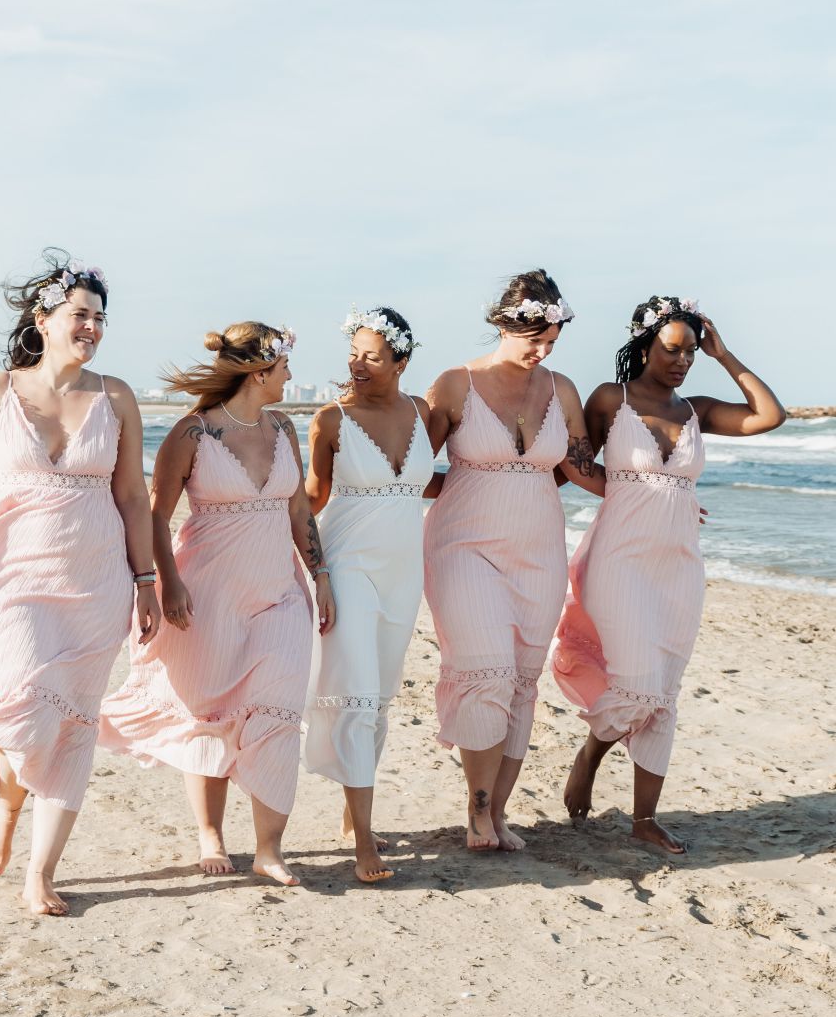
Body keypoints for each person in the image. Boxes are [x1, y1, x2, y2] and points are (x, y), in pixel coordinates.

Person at [0, 253, 159, 916]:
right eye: (80, 314)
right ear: (44, 318)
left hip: (95, 582)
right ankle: (5, 803)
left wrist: (146, 581)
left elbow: (134, 497)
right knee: (21, 702)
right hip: (10, 577)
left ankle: (41, 871)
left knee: (72, 724)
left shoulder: (115, 397)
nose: (91, 326)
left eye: (99, 318)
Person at [100, 323, 334, 888]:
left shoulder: (283, 427)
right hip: (208, 592)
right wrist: (165, 583)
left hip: (279, 593)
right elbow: (156, 515)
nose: (291, 376)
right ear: (260, 372)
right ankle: (210, 833)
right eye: (284, 368)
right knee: (211, 715)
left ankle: (270, 849)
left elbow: (298, 511)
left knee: (277, 712)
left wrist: (320, 573)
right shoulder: (192, 433)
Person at [552, 297, 785, 853]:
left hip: (678, 564)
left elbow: (769, 417)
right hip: (620, 558)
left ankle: (643, 819)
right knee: (637, 682)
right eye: (672, 349)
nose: (683, 360)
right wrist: (641, 493)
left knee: (664, 690)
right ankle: (591, 754)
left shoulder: (696, 409)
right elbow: (571, 460)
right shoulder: (613, 399)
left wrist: (725, 355)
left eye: (691, 352)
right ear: (644, 345)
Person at [423, 269, 603, 851]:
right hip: (463, 543)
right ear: (505, 324)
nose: (543, 352)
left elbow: (579, 467)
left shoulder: (563, 388)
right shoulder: (454, 384)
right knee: (485, 671)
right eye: (535, 340)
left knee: (522, 678)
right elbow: (409, 467)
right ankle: (476, 812)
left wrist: (656, 490)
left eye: (552, 342)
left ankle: (498, 814)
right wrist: (465, 487)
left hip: (539, 547)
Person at [304, 305, 435, 884]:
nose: (357, 364)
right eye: (353, 352)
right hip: (349, 562)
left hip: (406, 572)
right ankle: (364, 843)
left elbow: (434, 481)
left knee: (378, 699)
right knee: (356, 694)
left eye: (372, 356)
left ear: (402, 362)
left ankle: (351, 806)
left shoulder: (425, 413)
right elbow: (309, 498)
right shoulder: (330, 420)